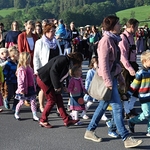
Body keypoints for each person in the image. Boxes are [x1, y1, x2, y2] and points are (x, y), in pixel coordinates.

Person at [84, 15, 142, 149]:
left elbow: (114, 62)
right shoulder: (106, 41)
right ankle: (126, 137)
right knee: (117, 108)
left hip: (112, 78)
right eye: (118, 24)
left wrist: (120, 78)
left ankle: (90, 130)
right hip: (108, 79)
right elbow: (103, 64)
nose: (120, 26)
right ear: (111, 26)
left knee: (103, 106)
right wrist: (109, 82)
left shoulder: (113, 39)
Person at [36, 52, 83, 128]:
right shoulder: (63, 60)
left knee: (59, 99)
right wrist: (57, 86)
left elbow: (59, 75)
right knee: (52, 100)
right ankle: (43, 120)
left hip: (49, 81)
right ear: (76, 60)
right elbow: (53, 72)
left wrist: (62, 86)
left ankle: (66, 119)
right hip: (44, 80)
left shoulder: (65, 60)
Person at [33, 23, 62, 113]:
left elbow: (60, 54)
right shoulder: (40, 42)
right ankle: (41, 106)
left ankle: (59, 108)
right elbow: (36, 57)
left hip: (55, 69)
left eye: (54, 31)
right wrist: (37, 70)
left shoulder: (56, 42)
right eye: (51, 31)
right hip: (45, 69)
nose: (53, 33)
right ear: (46, 32)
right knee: (44, 88)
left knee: (56, 88)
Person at [119, 18, 139, 119]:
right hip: (126, 66)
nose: (137, 29)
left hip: (133, 63)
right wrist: (130, 68)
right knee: (126, 88)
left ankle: (130, 107)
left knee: (137, 86)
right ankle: (126, 111)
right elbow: (122, 56)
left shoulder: (131, 37)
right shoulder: (123, 38)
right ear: (132, 26)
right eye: (136, 27)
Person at [128, 50, 150, 137]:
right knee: (146, 114)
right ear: (145, 61)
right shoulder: (141, 73)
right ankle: (132, 121)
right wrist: (128, 94)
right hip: (144, 97)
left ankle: (149, 130)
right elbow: (134, 85)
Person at [81, 56, 108, 121]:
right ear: (92, 63)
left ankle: (102, 115)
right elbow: (88, 81)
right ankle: (83, 113)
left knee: (102, 102)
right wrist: (87, 90)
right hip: (92, 89)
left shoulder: (100, 71)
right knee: (90, 102)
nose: (98, 65)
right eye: (96, 63)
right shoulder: (90, 72)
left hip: (99, 89)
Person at [14, 52, 39, 121]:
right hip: (24, 89)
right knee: (21, 102)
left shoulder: (29, 68)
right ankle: (16, 113)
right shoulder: (21, 69)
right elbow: (20, 80)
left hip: (30, 87)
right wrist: (21, 88)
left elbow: (31, 77)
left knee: (33, 101)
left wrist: (35, 76)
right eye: (28, 59)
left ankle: (34, 115)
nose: (29, 60)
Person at [3, 46, 19, 111]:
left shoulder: (18, 63)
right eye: (17, 55)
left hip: (17, 81)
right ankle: (7, 99)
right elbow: (5, 72)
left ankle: (15, 106)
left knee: (17, 94)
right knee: (11, 93)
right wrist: (9, 76)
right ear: (13, 55)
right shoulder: (8, 64)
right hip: (10, 81)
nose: (18, 56)